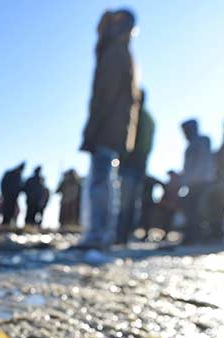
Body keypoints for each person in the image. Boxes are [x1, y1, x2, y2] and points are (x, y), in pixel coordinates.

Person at [79, 9, 140, 249]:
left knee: (101, 180)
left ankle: (98, 234)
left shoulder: (114, 52)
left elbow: (104, 96)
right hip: (113, 128)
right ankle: (101, 233)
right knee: (104, 179)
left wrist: (92, 130)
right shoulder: (121, 51)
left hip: (107, 127)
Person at [117, 88, 154, 244]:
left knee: (124, 201)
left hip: (131, 163)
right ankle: (125, 235)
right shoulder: (150, 118)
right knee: (132, 202)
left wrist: (123, 157)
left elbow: (129, 140)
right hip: (140, 164)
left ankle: (120, 236)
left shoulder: (136, 114)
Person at [179, 119, 215, 244]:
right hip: (194, 182)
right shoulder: (193, 144)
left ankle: (198, 236)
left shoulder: (201, 141)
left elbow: (201, 163)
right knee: (192, 209)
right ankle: (192, 235)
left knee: (198, 209)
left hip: (201, 182)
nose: (184, 134)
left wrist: (189, 180)